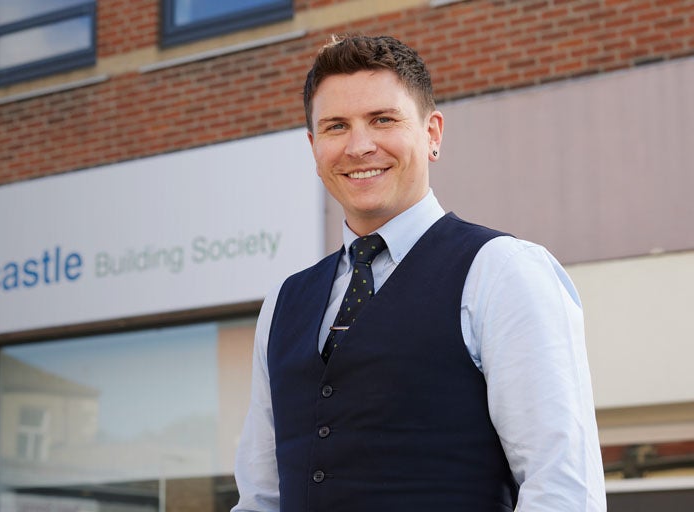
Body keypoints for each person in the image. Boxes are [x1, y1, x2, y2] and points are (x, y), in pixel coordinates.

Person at [232, 35, 605, 511]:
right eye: (335, 126)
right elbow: (261, 497)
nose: (359, 146)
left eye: (382, 120)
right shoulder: (284, 302)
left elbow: (564, 489)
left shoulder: (502, 271)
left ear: (432, 133)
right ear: (313, 146)